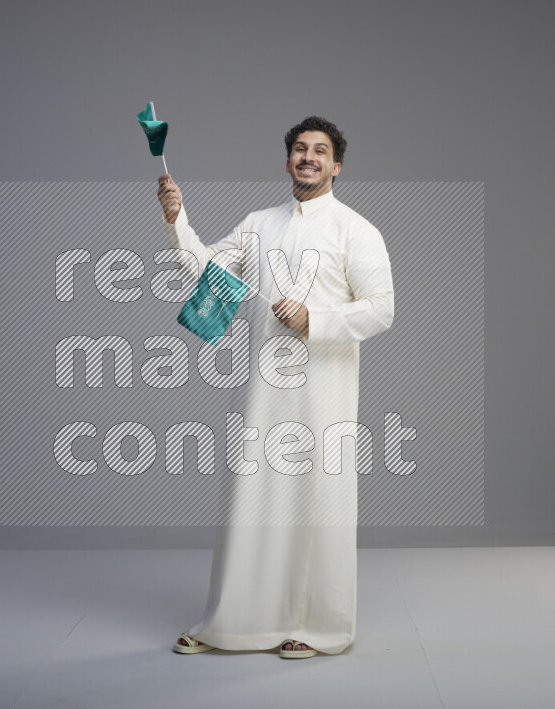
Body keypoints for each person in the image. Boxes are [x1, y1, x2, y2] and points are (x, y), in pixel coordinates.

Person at [157, 116, 394, 658]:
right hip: (263, 388)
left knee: (317, 499)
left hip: (323, 389)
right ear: (288, 160)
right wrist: (177, 220)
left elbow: (383, 309)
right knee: (253, 498)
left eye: (320, 151)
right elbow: (206, 271)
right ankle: (233, 622)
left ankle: (316, 627)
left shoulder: (356, 230)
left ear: (337, 166)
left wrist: (316, 317)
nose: (308, 157)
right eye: (299, 149)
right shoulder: (259, 223)